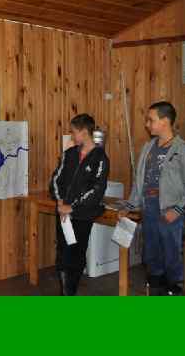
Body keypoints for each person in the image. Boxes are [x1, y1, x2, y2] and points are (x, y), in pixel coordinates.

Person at [120, 101, 185, 296]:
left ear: (165, 121)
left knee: (171, 256)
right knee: (151, 255)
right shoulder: (148, 147)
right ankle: (156, 289)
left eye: (151, 120)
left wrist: (177, 210)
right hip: (148, 209)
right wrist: (129, 205)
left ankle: (173, 290)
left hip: (169, 212)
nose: (147, 124)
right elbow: (139, 181)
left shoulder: (182, 149)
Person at [49, 113, 109, 295]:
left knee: (76, 256)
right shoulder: (69, 154)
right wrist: (60, 201)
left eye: (73, 132)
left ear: (84, 132)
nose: (72, 136)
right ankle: (64, 294)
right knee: (62, 254)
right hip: (63, 214)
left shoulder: (100, 158)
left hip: (82, 216)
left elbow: (96, 190)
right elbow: (55, 179)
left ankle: (71, 293)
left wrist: (72, 207)